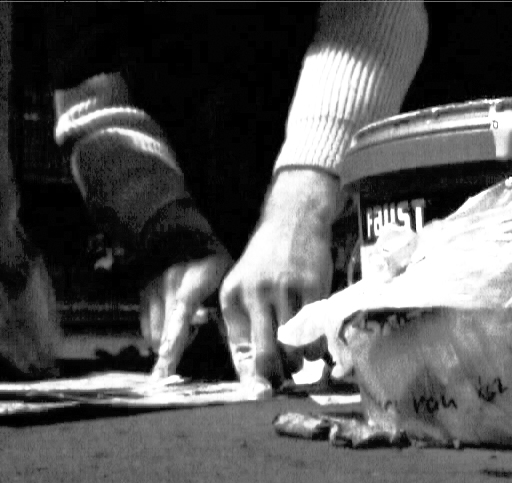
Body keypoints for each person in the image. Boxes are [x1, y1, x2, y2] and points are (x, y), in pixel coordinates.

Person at [44, 2, 429, 388]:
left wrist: (301, 207)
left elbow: (380, 12)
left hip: (379, 200)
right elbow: (91, 94)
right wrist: (171, 233)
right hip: (207, 222)